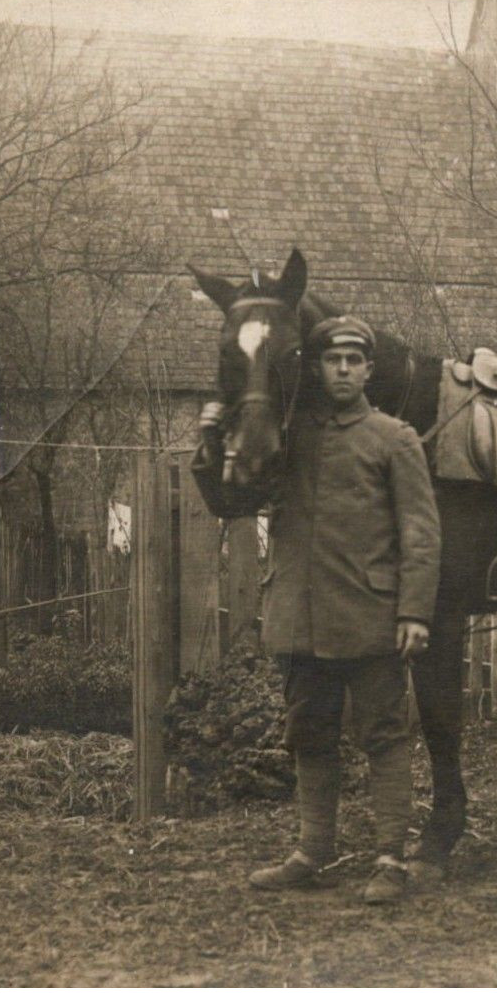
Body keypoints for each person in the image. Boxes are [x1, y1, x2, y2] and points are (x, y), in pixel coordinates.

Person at [192, 315, 441, 905]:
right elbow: (235, 500)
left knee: (384, 736)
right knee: (309, 736)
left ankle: (388, 859)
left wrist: (414, 613)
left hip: (372, 616)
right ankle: (312, 850)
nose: (344, 371)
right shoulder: (288, 435)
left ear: (370, 371)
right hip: (299, 616)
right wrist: (209, 444)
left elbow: (422, 534)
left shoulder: (395, 438)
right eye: (334, 361)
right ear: (318, 368)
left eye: (355, 362)